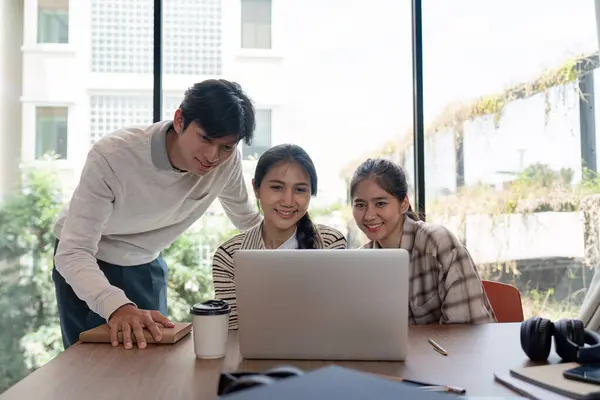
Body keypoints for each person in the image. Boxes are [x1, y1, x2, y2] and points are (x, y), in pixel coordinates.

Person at [53, 79, 263, 350]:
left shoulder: (226, 161)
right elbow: (73, 251)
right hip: (87, 261)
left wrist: (301, 247)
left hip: (145, 261)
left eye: (226, 146)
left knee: (152, 365)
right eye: (205, 139)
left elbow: (247, 219)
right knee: (90, 370)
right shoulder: (113, 156)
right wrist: (117, 307)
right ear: (179, 120)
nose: (212, 156)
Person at [211, 144, 347, 330]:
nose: (288, 201)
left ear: (310, 193)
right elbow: (233, 331)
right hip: (252, 357)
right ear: (256, 189)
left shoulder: (330, 243)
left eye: (300, 190)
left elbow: (336, 320)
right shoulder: (229, 256)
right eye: (277, 187)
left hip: (316, 356)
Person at [349, 158, 496, 325]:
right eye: (360, 205)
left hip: (456, 350)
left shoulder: (438, 244)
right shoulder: (359, 263)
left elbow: (467, 333)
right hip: (399, 352)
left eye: (380, 203)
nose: (368, 215)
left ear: (403, 204)